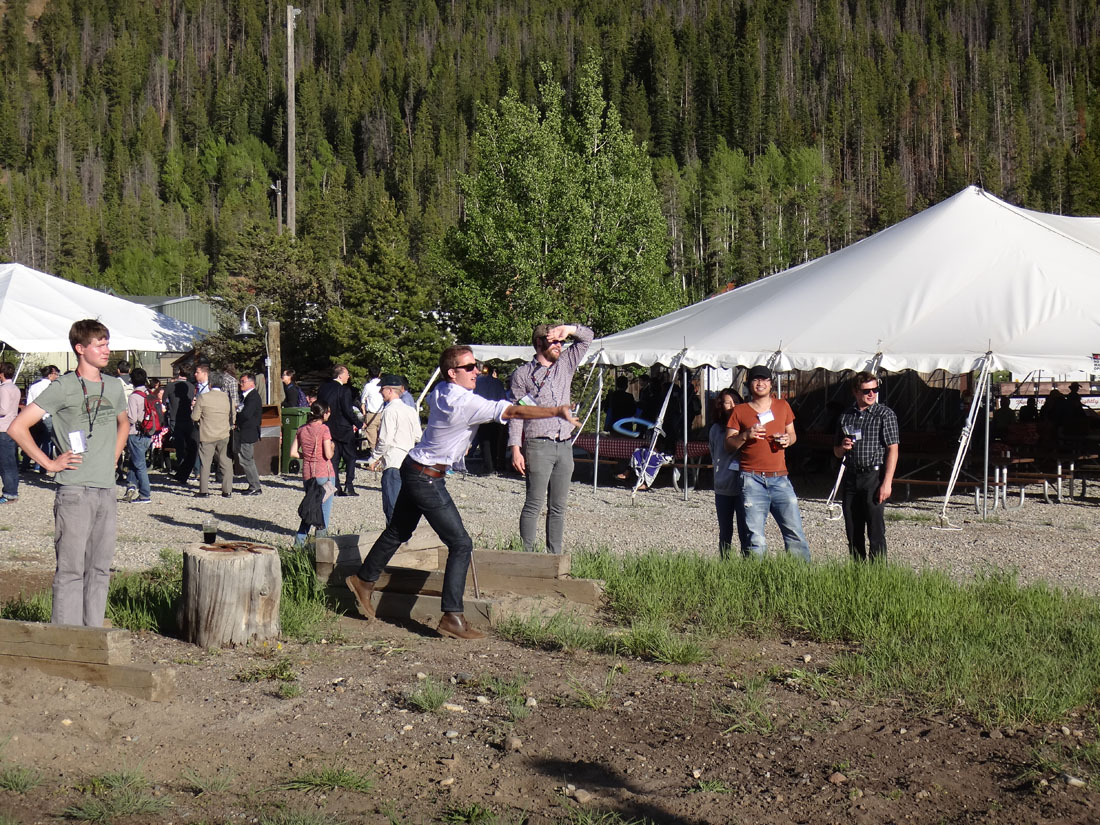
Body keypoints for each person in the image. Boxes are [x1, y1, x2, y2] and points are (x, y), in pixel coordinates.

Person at [346, 345, 581, 639]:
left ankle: (364, 581)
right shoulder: (464, 403)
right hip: (426, 477)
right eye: (469, 367)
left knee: (398, 531)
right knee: (460, 544)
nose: (476, 371)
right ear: (452, 372)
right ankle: (452, 617)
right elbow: (513, 411)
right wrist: (555, 411)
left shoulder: (441, 391)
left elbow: (499, 405)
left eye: (476, 365)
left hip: (415, 466)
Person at [7, 319, 129, 626]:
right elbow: (17, 427)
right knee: (72, 570)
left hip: (106, 489)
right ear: (80, 348)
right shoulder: (62, 387)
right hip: (74, 490)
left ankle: (93, 636)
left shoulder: (114, 385)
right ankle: (67, 639)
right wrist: (49, 464)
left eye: (107, 343)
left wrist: (113, 457)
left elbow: (124, 423)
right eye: (99, 345)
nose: (106, 350)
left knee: (99, 569)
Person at [508, 322, 593, 554]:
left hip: (564, 444)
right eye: (554, 341)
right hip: (538, 445)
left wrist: (568, 329)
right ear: (539, 342)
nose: (559, 345)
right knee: (534, 503)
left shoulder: (565, 364)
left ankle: (554, 557)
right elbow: (517, 413)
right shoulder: (522, 374)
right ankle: (526, 556)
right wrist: (515, 448)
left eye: (561, 342)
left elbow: (588, 337)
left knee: (558, 507)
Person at [725, 365, 810, 561]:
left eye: (764, 379)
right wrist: (746, 435)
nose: (760, 383)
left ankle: (802, 574)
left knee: (795, 533)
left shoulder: (783, 406)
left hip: (780, 478)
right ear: (749, 384)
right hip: (751, 478)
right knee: (755, 538)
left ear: (771, 384)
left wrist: (788, 440)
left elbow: (792, 434)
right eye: (756, 379)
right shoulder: (739, 411)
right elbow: (728, 445)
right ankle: (757, 575)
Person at [833, 371, 899, 563]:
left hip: (874, 476)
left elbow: (893, 449)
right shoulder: (846, 416)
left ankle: (878, 571)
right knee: (853, 529)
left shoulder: (884, 414)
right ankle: (858, 569)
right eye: (866, 391)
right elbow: (836, 452)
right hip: (851, 476)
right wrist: (842, 447)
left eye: (875, 390)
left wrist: (887, 483)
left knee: (875, 529)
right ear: (855, 392)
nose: (872, 394)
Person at [369, 374, 423, 525]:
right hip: (409, 462)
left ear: (390, 390)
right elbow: (418, 436)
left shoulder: (389, 410)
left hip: (393, 462)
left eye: (382, 389)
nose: (380, 392)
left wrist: (374, 457)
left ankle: (393, 536)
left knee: (392, 507)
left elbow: (385, 439)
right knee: (406, 506)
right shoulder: (411, 410)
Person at [291, 401, 336, 546]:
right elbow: (328, 455)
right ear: (324, 413)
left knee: (310, 507)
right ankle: (321, 547)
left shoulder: (302, 429)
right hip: (324, 473)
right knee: (323, 512)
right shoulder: (324, 429)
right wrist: (333, 447)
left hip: (308, 473)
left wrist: (306, 456)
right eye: (328, 411)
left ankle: (299, 543)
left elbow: (293, 453)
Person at [709, 388, 748, 558]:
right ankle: (724, 561)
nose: (732, 406)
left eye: (736, 401)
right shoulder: (716, 429)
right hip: (723, 485)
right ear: (721, 405)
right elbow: (713, 453)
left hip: (744, 484)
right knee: (725, 530)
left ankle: (748, 562)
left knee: (745, 529)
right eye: (727, 402)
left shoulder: (747, 428)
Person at [317, 364, 361, 496]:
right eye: (347, 374)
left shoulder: (323, 388)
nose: (348, 376)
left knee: (334, 458)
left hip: (329, 427)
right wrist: (359, 423)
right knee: (351, 457)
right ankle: (349, 485)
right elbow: (348, 411)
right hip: (344, 428)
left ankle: (335, 486)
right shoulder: (344, 390)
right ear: (340, 375)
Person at [191, 363, 233, 498]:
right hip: (223, 434)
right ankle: (227, 490)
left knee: (206, 463)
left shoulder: (203, 398)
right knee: (225, 462)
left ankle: (204, 490)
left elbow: (195, 417)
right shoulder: (227, 398)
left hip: (207, 434)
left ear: (210, 384)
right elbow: (232, 415)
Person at [122, 367, 154, 504]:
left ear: (132, 381)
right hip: (148, 432)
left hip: (136, 433)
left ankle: (145, 494)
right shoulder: (149, 393)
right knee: (134, 461)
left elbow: (132, 418)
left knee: (139, 465)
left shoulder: (134, 396)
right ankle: (131, 486)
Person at [23, 364, 59, 471]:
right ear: (50, 374)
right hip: (47, 415)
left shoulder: (34, 386)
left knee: (33, 442)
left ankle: (25, 464)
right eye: (56, 374)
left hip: (34, 417)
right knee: (47, 442)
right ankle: (43, 466)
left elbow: (29, 403)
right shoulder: (51, 387)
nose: (57, 376)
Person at [473, 363, 506, 473]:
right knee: (494, 441)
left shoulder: (477, 381)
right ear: (493, 372)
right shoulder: (498, 383)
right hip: (495, 413)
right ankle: (495, 464)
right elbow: (503, 397)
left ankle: (488, 466)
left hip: (482, 412)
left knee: (484, 441)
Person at [235, 371, 263, 495]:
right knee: (245, 459)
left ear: (251, 383)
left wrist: (236, 415)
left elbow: (246, 414)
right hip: (245, 431)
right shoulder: (245, 396)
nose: (241, 384)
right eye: (240, 381)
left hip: (248, 432)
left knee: (246, 460)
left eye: (243, 382)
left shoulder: (253, 397)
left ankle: (255, 486)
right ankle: (253, 485)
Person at [169, 365, 198, 483]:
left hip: (176, 419)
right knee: (192, 447)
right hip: (188, 419)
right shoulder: (192, 386)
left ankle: (182, 471)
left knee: (180, 447)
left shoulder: (171, 386)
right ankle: (193, 471)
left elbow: (165, 401)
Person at [0, 362, 21, 503]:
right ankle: (12, 489)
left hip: (3, 428)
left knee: (6, 463)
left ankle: (9, 492)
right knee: (11, 462)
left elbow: (3, 409)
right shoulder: (15, 388)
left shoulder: (3, 389)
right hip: (11, 426)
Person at [359, 367, 384, 453]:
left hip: (371, 414)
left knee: (372, 440)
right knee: (382, 438)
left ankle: (374, 457)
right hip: (382, 413)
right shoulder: (383, 385)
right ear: (379, 374)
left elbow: (363, 402)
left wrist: (364, 415)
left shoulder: (368, 386)